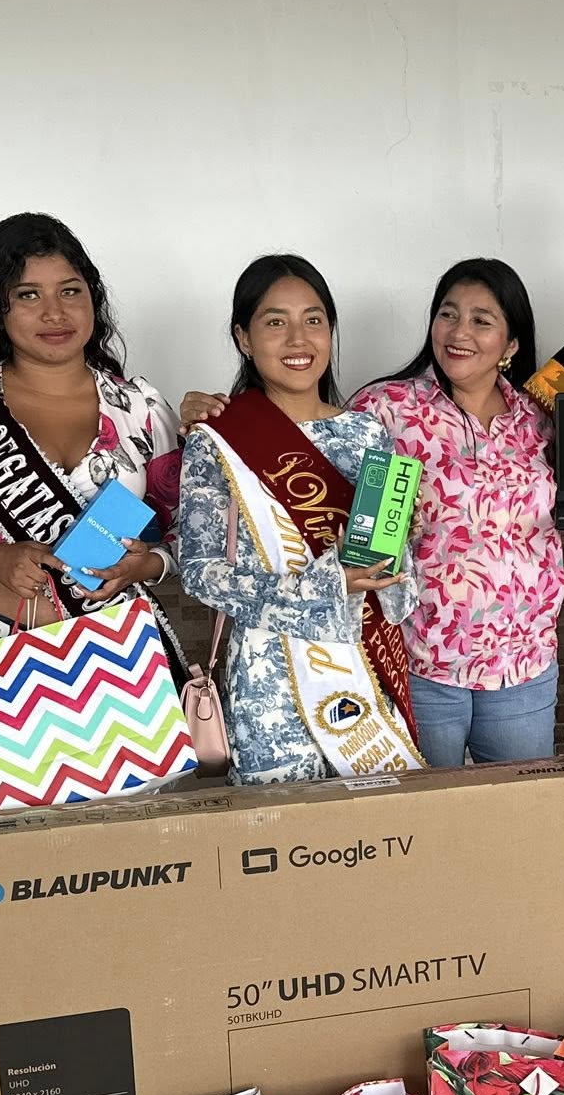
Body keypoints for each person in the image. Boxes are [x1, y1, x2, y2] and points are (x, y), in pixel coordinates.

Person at [0, 213, 186, 655]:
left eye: (70, 291)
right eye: (28, 294)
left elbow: (194, 528)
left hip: (120, 644)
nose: (54, 312)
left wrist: (147, 565)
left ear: (92, 298)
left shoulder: (140, 407)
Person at [177, 255, 423, 783]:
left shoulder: (366, 433)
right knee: (279, 829)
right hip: (269, 687)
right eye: (275, 322)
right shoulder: (218, 438)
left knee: (377, 826)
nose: (298, 339)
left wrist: (401, 544)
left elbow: (397, 590)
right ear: (243, 338)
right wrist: (325, 584)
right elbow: (198, 573)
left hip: (364, 672)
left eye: (314, 320)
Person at [349, 259, 562, 767]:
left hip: (523, 666)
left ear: (512, 344)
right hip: (418, 662)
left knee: (518, 811)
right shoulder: (386, 408)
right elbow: (327, 505)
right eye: (448, 314)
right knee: (422, 814)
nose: (459, 332)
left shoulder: (542, 419)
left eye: (481, 321)